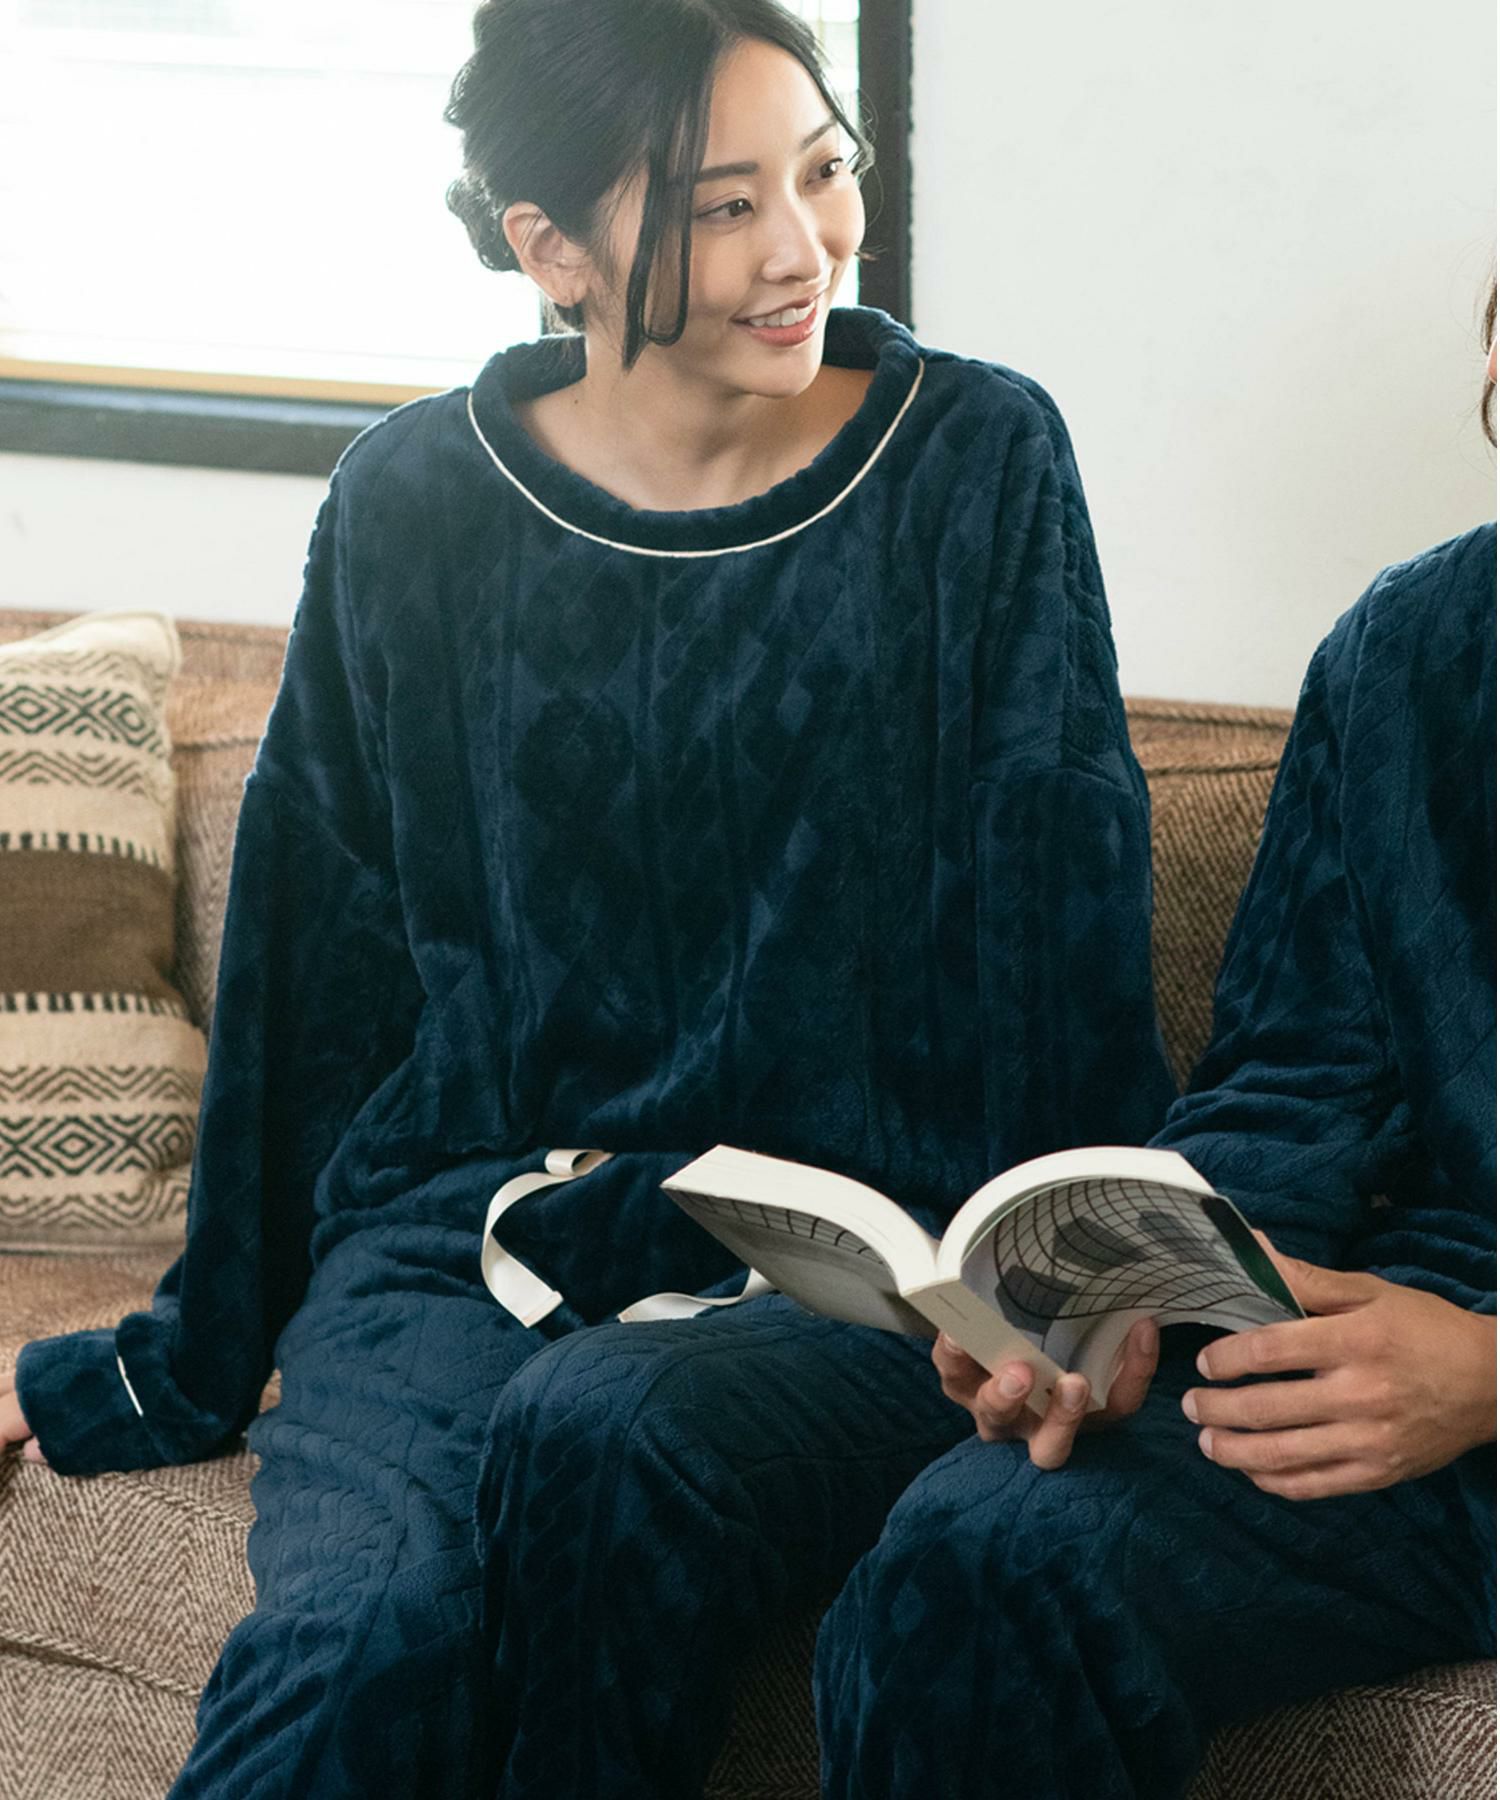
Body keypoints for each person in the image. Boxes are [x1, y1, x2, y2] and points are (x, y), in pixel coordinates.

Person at [0, 2, 1176, 1795]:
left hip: (864, 1268)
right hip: (465, 1228)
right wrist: (181, 1363)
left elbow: (1064, 913)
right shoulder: (410, 502)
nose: (804, 248)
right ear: (550, 247)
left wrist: (1065, 1298)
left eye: (826, 171)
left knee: (604, 1434)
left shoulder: (976, 461)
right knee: (360, 1645)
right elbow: (318, 964)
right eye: (721, 207)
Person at [817, 299, 1498, 1799]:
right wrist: (1123, 1293)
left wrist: (1492, 1375)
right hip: (1392, 1331)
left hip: (1473, 1373)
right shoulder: (1409, 649)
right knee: (978, 1555)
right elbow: (1298, 1075)